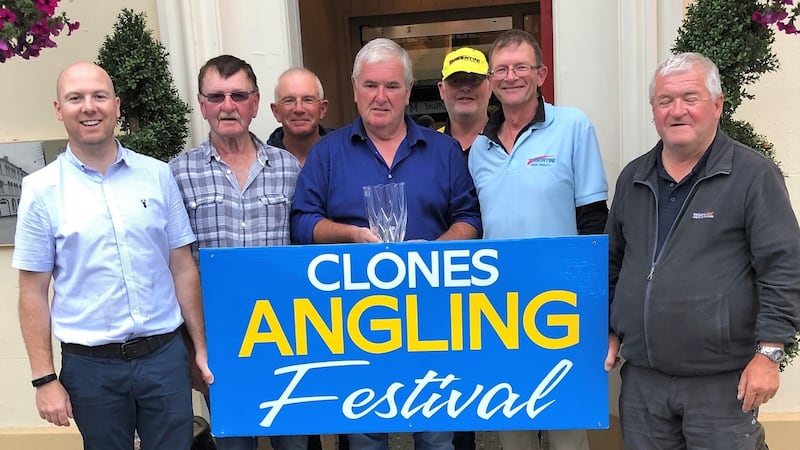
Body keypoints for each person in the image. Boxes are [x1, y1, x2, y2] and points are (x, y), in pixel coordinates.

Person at [291, 37, 481, 450]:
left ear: (408, 92)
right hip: (354, 323)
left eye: (392, 86)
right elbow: (302, 223)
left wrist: (436, 249)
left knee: (435, 436)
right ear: (355, 89)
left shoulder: (444, 151)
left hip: (432, 318)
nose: (381, 96)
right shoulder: (327, 153)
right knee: (364, 439)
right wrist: (350, 235)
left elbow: (469, 219)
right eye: (371, 85)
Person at [12, 62, 213, 450]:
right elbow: (32, 292)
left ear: (116, 106)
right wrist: (44, 379)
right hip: (91, 368)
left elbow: (182, 266)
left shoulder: (156, 175)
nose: (89, 107)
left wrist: (199, 348)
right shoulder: (41, 190)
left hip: (163, 357)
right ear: (59, 109)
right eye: (76, 98)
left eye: (99, 96)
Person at [604, 52, 800, 449]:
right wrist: (607, 326)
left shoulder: (752, 175)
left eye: (690, 98)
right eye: (664, 101)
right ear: (654, 111)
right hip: (644, 382)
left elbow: (784, 267)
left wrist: (770, 353)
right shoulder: (633, 177)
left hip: (722, 386)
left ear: (717, 105)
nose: (677, 111)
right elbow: (613, 261)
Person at [468, 29, 608, 450]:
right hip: (500, 311)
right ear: (491, 81)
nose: (511, 77)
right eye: (501, 70)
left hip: (560, 307)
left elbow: (594, 220)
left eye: (521, 67)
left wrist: (592, 301)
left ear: (541, 73)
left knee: (566, 429)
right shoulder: (478, 148)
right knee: (512, 429)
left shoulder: (573, 125)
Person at [169, 54, 306, 450]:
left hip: (288, 336)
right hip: (219, 340)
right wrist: (192, 348)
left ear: (256, 102)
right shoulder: (177, 173)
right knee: (234, 445)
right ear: (202, 104)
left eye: (238, 95)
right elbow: (174, 266)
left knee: (293, 444)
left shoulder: (289, 168)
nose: (227, 106)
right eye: (216, 96)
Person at [269, 67, 333, 166]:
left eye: (308, 100)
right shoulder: (262, 164)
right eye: (289, 100)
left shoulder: (346, 155)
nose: (299, 109)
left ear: (322, 109)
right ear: (276, 112)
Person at [437, 47, 492, 158]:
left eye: (474, 80)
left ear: (490, 85)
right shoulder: (427, 146)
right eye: (455, 81)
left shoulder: (509, 141)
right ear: (441, 89)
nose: (465, 88)